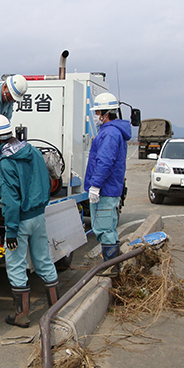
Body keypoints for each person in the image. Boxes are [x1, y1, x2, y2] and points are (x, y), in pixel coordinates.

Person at [0, 114, 60, 328]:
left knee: (16, 265)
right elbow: (46, 181)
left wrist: (12, 232)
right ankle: (56, 308)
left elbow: (10, 201)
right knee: (44, 260)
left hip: (20, 220)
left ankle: (22, 316)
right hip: (38, 216)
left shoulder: (5, 163)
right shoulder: (33, 151)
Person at [84, 92, 131, 277]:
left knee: (104, 228)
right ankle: (113, 265)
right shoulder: (114, 131)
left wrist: (95, 185)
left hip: (105, 189)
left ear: (106, 113)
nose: (96, 117)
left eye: (98, 113)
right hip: (110, 188)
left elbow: (104, 161)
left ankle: (111, 268)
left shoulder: (110, 133)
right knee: (108, 227)